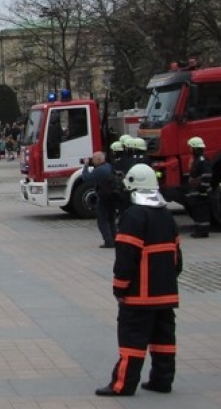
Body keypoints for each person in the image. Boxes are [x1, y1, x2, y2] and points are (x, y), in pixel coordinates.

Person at [96, 163, 182, 397]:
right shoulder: (166, 214)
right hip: (166, 293)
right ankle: (162, 380)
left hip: (140, 295)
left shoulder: (133, 216)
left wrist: (120, 286)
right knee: (164, 338)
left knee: (132, 339)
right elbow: (177, 256)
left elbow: (126, 257)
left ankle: (122, 385)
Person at [80, 151, 121, 248]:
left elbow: (86, 177)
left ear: (98, 159)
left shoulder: (99, 170)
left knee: (102, 220)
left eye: (93, 159)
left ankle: (108, 241)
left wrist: (85, 166)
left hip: (104, 197)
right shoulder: (108, 166)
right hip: (112, 196)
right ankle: (115, 239)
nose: (92, 161)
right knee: (111, 219)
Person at [186, 136, 212, 238]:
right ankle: (198, 231)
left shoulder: (202, 160)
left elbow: (206, 175)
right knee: (197, 212)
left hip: (202, 193)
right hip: (197, 192)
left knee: (202, 213)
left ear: (195, 148)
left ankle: (203, 232)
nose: (189, 149)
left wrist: (202, 189)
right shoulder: (197, 159)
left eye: (190, 147)